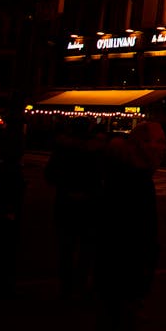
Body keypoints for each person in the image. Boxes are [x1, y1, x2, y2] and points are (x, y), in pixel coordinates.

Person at [88, 121, 166, 331]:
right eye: (160, 141)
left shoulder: (123, 172)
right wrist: (143, 273)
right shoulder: (136, 179)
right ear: (144, 144)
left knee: (109, 326)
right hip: (127, 268)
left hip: (113, 267)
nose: (163, 147)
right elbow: (137, 231)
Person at [44, 118, 104, 300]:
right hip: (89, 204)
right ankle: (80, 284)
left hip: (66, 202)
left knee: (66, 248)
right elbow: (102, 176)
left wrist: (67, 185)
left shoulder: (63, 149)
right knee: (87, 248)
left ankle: (66, 286)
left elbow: (50, 174)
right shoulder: (97, 150)